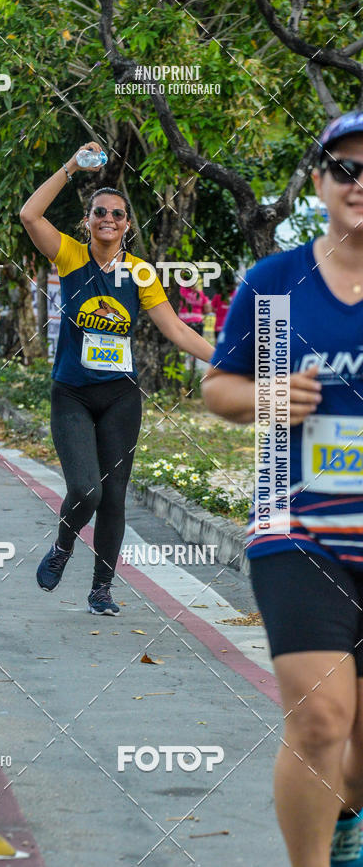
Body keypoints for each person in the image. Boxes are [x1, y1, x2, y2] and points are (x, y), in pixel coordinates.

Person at [202, 111, 363, 867]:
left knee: (356, 756)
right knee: (322, 719)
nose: (359, 185)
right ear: (322, 181)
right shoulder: (275, 283)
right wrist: (266, 397)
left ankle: (348, 811)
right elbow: (218, 387)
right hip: (296, 527)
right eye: (346, 169)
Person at [20, 142, 214, 615]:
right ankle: (64, 545)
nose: (109, 218)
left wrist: (226, 359)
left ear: (128, 224)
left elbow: (174, 329)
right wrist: (70, 166)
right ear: (86, 220)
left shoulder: (140, 272)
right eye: (99, 212)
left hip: (121, 397)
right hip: (72, 392)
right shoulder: (68, 256)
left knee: (114, 498)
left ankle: (101, 589)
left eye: (118, 214)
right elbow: (29, 215)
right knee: (87, 489)